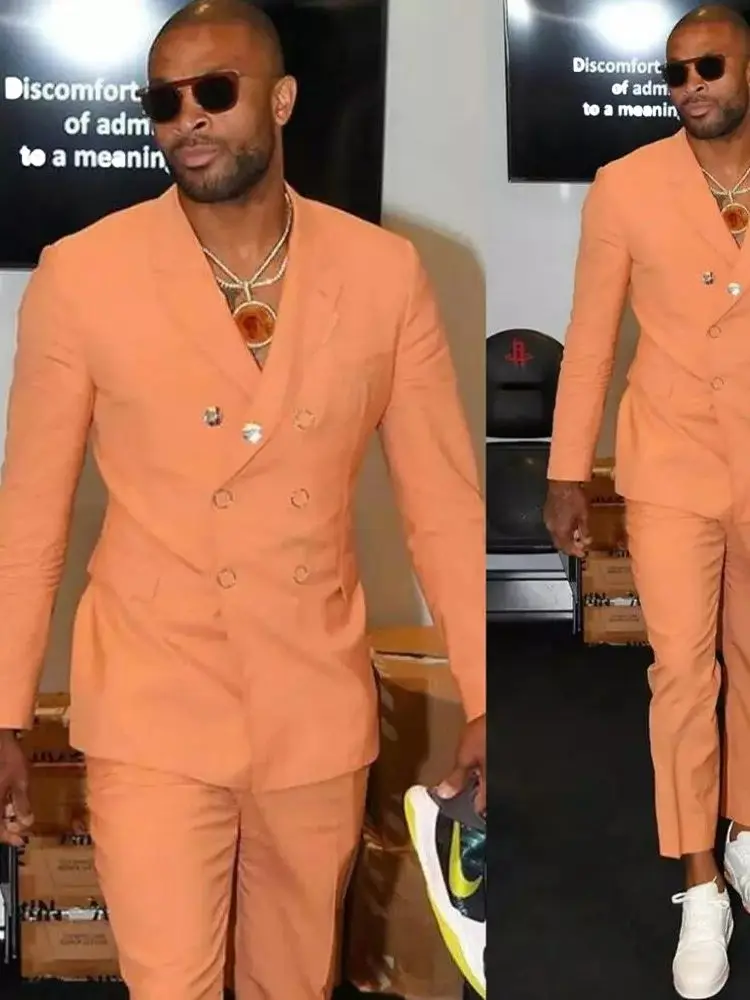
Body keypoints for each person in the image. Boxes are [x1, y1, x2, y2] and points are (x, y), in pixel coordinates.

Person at [0, 2, 486, 998]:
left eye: (215, 91)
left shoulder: (383, 274)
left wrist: (488, 695)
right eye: (163, 101)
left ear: (282, 99)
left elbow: (442, 502)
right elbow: (29, 517)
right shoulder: (81, 275)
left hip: (314, 701)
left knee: (293, 982)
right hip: (152, 699)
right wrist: (2, 712)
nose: (188, 118)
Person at [544, 5, 750, 997]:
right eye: (675, 73)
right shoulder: (626, 185)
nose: (690, 86)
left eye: (708, 66)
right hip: (670, 461)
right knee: (682, 671)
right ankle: (699, 882)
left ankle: (743, 827)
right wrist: (565, 471)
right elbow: (590, 339)